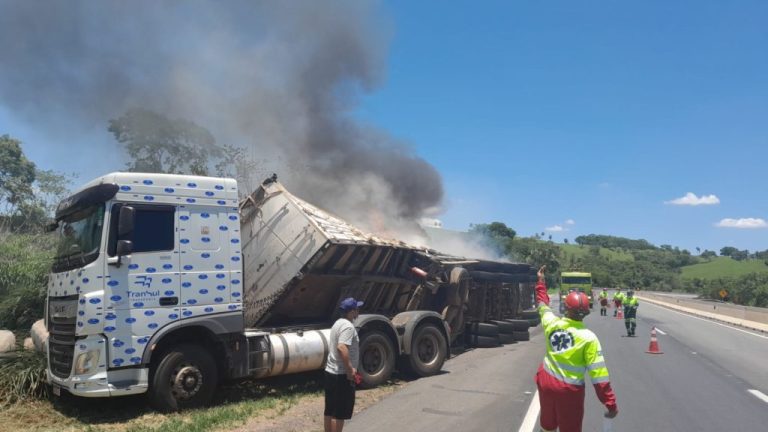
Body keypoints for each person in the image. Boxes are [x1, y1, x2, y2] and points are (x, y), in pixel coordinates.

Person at [534, 265, 618, 432]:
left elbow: (542, 304)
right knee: (570, 427)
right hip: (569, 390)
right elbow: (599, 376)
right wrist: (610, 403)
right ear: (586, 312)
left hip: (546, 382)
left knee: (548, 424)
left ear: (566, 308)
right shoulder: (589, 338)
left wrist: (541, 282)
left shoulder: (552, 323)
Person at [324, 297, 362, 432]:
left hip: (331, 372)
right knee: (339, 413)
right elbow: (342, 347)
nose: (358, 311)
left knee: (329, 410)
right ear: (351, 312)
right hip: (341, 375)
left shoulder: (337, 323)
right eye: (357, 309)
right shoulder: (348, 327)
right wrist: (350, 370)